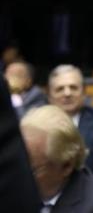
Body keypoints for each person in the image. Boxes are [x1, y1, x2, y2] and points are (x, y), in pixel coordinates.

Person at [20, 105, 93, 213]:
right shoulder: (11, 191)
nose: (19, 176)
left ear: (66, 166)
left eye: (32, 170)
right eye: (18, 165)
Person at [0, 70, 41, 213]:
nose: (12, 79)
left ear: (29, 81)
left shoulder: (36, 98)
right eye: (9, 74)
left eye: (17, 75)